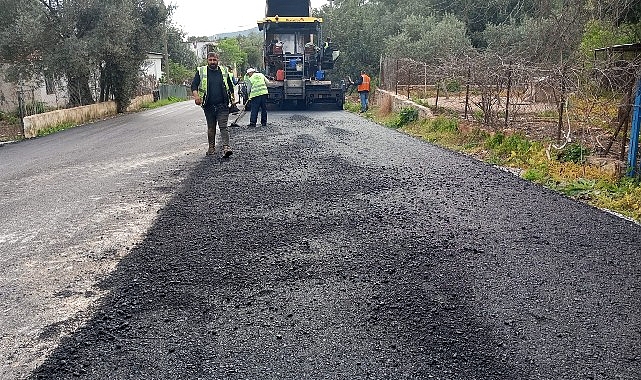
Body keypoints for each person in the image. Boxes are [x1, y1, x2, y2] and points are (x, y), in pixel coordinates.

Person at [191, 52, 235, 157]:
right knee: (211, 127)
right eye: (210, 60)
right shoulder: (201, 71)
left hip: (223, 104)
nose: (212, 62)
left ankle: (226, 147)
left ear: (217, 60)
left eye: (214, 60)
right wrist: (196, 96)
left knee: (223, 126)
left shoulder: (224, 71)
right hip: (208, 105)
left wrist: (233, 100)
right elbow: (194, 85)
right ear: (207, 60)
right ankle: (211, 148)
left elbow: (230, 86)